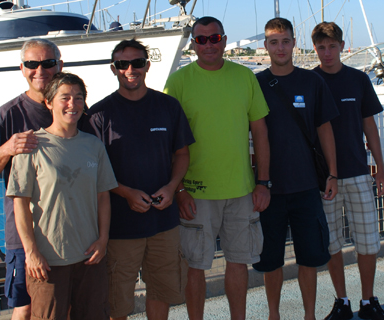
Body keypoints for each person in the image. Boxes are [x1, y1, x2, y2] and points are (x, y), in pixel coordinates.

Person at [164, 16, 271, 320]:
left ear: (224, 40)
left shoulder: (245, 77)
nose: (208, 44)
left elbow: (260, 132)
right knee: (195, 267)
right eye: (201, 39)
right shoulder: (179, 82)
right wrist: (180, 189)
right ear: (193, 44)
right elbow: (169, 143)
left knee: (239, 263)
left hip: (242, 190)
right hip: (196, 193)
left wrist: (263, 182)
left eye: (214, 38)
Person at [82, 39, 195, 320]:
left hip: (163, 223)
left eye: (137, 63)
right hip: (119, 227)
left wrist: (172, 187)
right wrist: (126, 193)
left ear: (147, 65)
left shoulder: (168, 106)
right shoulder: (98, 114)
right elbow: (92, 170)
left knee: (161, 292)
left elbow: (182, 154)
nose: (130, 69)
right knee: (116, 301)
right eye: (122, 64)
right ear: (114, 69)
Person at [6, 72, 116, 319]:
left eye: (78, 98)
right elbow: (20, 205)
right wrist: (31, 252)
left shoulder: (93, 146)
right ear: (49, 102)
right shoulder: (31, 146)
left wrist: (103, 239)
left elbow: (103, 197)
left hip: (90, 257)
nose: (72, 104)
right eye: (64, 97)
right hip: (48, 260)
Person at [252, 17, 339, 320]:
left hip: (306, 188)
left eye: (285, 41)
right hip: (269, 190)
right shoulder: (256, 83)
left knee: (309, 258)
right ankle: (273, 315)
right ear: (266, 46)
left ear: (293, 43)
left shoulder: (312, 82)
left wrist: (332, 173)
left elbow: (325, 128)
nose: (280, 47)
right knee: (270, 260)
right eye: (273, 42)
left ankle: (309, 315)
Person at [0, 38, 63, 320]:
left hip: (67, 232)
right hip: (23, 235)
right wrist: (7, 149)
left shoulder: (71, 109)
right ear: (22, 68)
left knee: (64, 303)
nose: (41, 71)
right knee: (25, 307)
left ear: (60, 65)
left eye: (47, 63)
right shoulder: (8, 114)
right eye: (33, 64)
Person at [311, 22, 384, 320]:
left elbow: (369, 125)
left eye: (332, 46)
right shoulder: (310, 81)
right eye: (321, 47)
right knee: (332, 244)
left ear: (342, 46)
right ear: (315, 48)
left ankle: (368, 301)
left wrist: (381, 169)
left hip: (358, 172)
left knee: (368, 242)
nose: (327, 52)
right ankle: (341, 301)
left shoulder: (358, 80)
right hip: (324, 180)